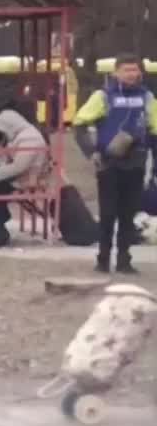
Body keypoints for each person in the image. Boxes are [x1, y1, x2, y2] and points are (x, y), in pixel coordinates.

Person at [71, 53, 157, 274]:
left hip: (136, 163)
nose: (132, 74)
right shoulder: (103, 96)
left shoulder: (146, 98)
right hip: (109, 164)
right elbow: (79, 124)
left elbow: (155, 130)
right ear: (116, 72)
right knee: (108, 213)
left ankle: (124, 260)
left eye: (135, 69)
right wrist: (91, 152)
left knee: (128, 214)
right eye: (127, 69)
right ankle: (103, 259)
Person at [0, 108, 49, 247]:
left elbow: (18, 167)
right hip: (19, 177)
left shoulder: (30, 139)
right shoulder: (21, 135)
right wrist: (0, 159)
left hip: (26, 179)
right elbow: (12, 162)